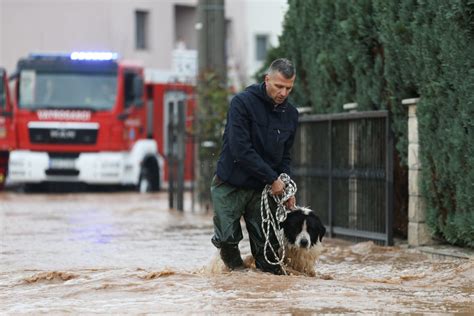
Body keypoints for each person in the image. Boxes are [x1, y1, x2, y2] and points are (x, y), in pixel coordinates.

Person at [210, 58, 298, 275]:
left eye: (288, 88)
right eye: (279, 86)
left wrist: (285, 184)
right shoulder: (242, 103)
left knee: (268, 250)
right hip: (231, 182)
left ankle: (266, 289)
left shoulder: (291, 115)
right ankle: (236, 279)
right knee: (227, 238)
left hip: (262, 187)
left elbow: (284, 156)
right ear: (267, 79)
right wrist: (272, 178)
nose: (283, 93)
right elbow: (241, 150)